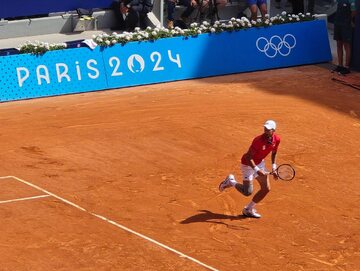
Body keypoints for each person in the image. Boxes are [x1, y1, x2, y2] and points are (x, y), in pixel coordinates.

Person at [218, 120, 280, 218]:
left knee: (266, 189)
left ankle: (248, 209)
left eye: (268, 129)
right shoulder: (258, 140)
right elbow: (248, 157)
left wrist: (274, 168)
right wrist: (257, 170)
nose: (265, 131)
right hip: (247, 164)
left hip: (259, 163)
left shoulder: (277, 139)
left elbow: (274, 153)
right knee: (247, 192)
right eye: (265, 128)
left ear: (273, 130)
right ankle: (231, 181)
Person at [332, 0, 357, 75]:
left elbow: (354, 11)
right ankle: (340, 65)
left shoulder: (351, 0)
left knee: (346, 45)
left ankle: (346, 67)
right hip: (337, 23)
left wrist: (349, 20)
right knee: (339, 44)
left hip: (346, 25)